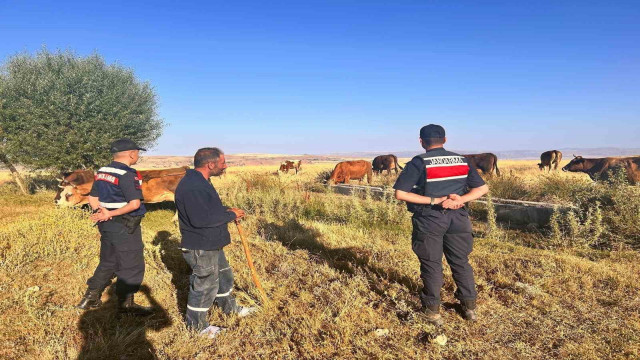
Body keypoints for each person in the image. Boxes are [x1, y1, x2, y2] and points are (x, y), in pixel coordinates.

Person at [393, 124, 489, 325]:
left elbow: (400, 194)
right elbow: (482, 188)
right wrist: (459, 200)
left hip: (430, 219)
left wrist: (433, 200)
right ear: (445, 140)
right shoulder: (462, 160)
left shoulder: (419, 162)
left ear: (421, 142)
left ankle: (433, 311)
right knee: (461, 262)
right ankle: (469, 308)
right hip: (459, 217)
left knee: (431, 263)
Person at [175, 147, 257, 339]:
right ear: (210, 165)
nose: (225, 166)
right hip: (200, 245)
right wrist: (230, 215)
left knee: (223, 276)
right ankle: (197, 327)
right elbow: (200, 219)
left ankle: (229, 308)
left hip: (211, 242)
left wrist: (228, 210)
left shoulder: (201, 181)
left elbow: (208, 210)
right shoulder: (193, 186)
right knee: (205, 284)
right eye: (223, 163)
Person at [77, 138, 154, 316]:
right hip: (124, 225)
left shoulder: (102, 171)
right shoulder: (128, 174)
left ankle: (90, 297)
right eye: (137, 153)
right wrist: (110, 213)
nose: (137, 156)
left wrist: (101, 212)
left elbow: (92, 198)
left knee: (108, 260)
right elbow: (134, 204)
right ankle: (126, 305)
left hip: (106, 225)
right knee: (131, 264)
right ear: (131, 154)